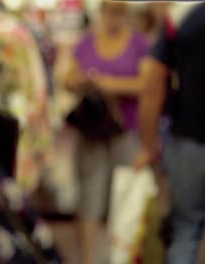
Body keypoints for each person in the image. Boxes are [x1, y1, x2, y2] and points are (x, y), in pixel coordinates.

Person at [136, 1, 205, 263]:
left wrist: (149, 145)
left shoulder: (179, 18)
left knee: (186, 230)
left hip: (188, 137)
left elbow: (154, 84)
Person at [65, 1, 150, 263]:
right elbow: (68, 78)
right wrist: (81, 81)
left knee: (126, 198)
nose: (114, 17)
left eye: (120, 11)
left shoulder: (140, 44)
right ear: (101, 12)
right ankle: (88, 258)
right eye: (110, 10)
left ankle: (122, 256)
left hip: (127, 131)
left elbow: (146, 84)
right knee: (89, 198)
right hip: (92, 130)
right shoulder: (86, 43)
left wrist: (107, 84)